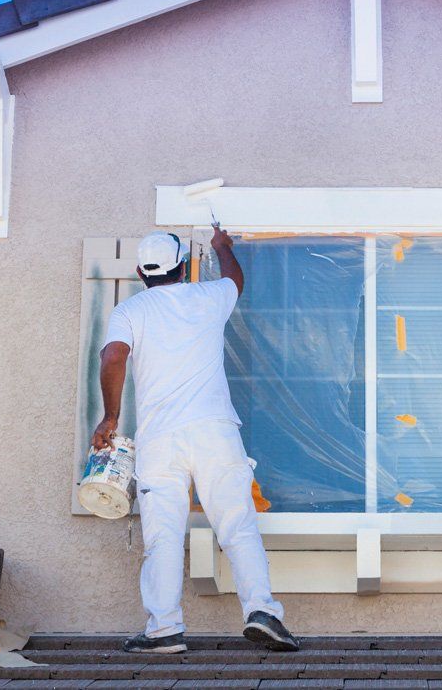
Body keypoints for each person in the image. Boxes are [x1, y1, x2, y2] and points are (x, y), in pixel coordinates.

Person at [92, 226, 298, 654]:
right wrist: (222, 247)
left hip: (160, 440)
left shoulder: (129, 311)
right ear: (183, 268)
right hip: (214, 432)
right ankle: (262, 612)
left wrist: (110, 417)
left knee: (163, 536)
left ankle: (164, 630)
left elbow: (113, 356)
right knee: (238, 525)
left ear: (140, 273)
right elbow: (235, 280)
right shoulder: (208, 297)